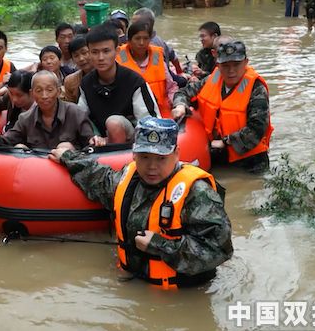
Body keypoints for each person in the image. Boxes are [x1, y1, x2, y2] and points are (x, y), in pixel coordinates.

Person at [48, 117, 233, 289]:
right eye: (145, 157)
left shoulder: (198, 193)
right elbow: (100, 179)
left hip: (185, 292)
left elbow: (218, 251)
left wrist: (160, 245)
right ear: (134, 154)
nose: (152, 166)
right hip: (137, 282)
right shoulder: (128, 179)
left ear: (176, 154)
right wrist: (68, 157)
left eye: (161, 158)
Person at [171, 41, 273, 174]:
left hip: (249, 161)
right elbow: (183, 92)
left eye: (236, 65)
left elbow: (257, 129)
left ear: (246, 62)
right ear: (218, 65)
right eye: (225, 65)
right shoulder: (211, 80)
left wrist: (226, 142)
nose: (231, 71)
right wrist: (180, 105)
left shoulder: (256, 88)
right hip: (217, 154)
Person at [77, 25, 160, 145]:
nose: (101, 58)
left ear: (116, 51)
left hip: (133, 139)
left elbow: (150, 122)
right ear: (89, 53)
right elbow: (80, 117)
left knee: (113, 122)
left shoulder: (134, 81)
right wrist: (92, 136)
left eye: (106, 51)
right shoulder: (86, 83)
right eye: (95, 52)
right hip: (99, 138)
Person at [0, 70, 94, 150]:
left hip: (68, 171)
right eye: (39, 91)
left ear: (59, 92)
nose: (44, 96)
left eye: (49, 90)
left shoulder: (76, 113)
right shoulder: (25, 118)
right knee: (19, 148)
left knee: (65, 147)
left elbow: (90, 145)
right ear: (32, 94)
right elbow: (8, 141)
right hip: (36, 172)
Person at [116, 21, 178, 118]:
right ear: (129, 40)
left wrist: (177, 104)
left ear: (150, 40)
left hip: (158, 110)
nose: (141, 43)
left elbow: (171, 87)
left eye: (145, 38)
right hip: (131, 114)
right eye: (137, 38)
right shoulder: (118, 60)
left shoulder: (157, 57)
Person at [131, 8, 184, 78]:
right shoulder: (159, 40)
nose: (131, 26)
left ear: (147, 25)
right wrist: (179, 72)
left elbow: (154, 70)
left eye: (135, 24)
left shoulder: (151, 46)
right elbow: (174, 57)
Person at [63, 37, 93, 103]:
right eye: (76, 56)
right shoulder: (70, 81)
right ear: (72, 59)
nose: (81, 58)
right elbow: (71, 108)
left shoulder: (107, 74)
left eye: (84, 53)